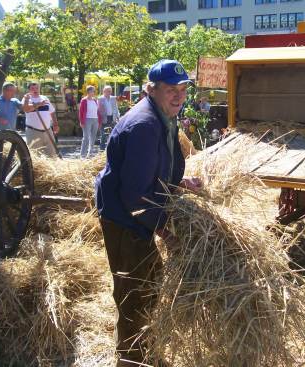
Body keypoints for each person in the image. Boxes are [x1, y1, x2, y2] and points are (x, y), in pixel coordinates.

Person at [95, 59, 203, 367]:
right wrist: (165, 230)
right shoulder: (145, 125)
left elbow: (150, 173)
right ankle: (131, 361)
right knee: (136, 291)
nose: (179, 96)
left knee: (150, 279)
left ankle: (141, 353)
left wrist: (180, 182)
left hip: (135, 208)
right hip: (124, 216)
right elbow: (135, 194)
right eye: (171, 89)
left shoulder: (162, 117)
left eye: (183, 89)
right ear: (151, 90)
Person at [22, 82, 59, 157]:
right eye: (32, 88)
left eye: (37, 88)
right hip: (33, 132)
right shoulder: (26, 99)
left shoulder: (44, 98)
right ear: (29, 90)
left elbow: (52, 112)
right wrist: (39, 104)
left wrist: (55, 124)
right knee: (34, 156)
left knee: (52, 155)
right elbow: (26, 109)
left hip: (48, 131)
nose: (35, 90)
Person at [78, 85, 102, 158]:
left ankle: (90, 153)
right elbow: (81, 112)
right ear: (88, 91)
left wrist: (99, 121)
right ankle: (83, 155)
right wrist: (81, 122)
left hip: (95, 120)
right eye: (92, 91)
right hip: (87, 120)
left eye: (94, 91)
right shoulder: (84, 100)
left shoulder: (95, 100)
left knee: (93, 137)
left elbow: (98, 111)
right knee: (86, 137)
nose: (94, 92)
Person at [98, 85, 120, 150]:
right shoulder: (100, 99)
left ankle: (112, 148)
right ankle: (102, 149)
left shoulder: (113, 98)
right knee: (103, 135)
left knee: (113, 134)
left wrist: (118, 116)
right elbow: (98, 110)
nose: (109, 92)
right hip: (104, 118)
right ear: (104, 91)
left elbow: (116, 108)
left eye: (110, 91)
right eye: (108, 91)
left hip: (112, 117)